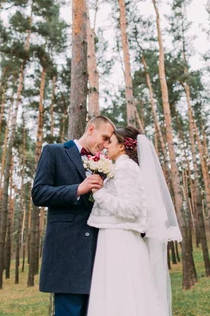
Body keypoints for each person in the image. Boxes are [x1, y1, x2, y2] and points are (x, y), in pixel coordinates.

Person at [87, 126, 182, 316]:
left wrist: (99, 193)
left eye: (111, 142)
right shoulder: (120, 167)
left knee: (122, 297)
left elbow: (131, 209)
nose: (106, 146)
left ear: (122, 146)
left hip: (121, 240)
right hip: (114, 236)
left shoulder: (126, 168)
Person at [32, 116, 115, 316]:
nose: (105, 145)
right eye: (104, 138)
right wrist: (77, 189)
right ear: (91, 129)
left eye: (109, 141)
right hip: (66, 253)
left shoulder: (105, 163)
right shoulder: (54, 151)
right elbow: (39, 193)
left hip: (97, 251)